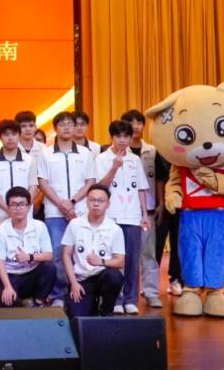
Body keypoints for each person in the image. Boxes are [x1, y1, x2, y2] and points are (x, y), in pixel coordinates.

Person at [38, 112, 97, 306]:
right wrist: (61, 203)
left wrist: (72, 201)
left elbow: (91, 181)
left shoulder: (85, 153)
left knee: (81, 252)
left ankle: (82, 293)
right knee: (57, 253)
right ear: (55, 128)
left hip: (81, 211)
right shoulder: (45, 153)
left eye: (70, 124)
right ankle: (58, 295)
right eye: (62, 124)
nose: (66, 127)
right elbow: (43, 182)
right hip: (54, 212)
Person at [96, 119, 149, 315]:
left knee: (132, 260)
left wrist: (145, 214)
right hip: (111, 216)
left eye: (126, 136)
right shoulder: (102, 158)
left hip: (133, 216)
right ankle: (115, 299)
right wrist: (114, 167)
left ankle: (130, 299)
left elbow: (141, 188)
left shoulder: (135, 159)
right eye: (118, 136)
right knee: (113, 259)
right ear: (112, 137)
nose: (122, 140)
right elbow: (100, 186)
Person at [0, 119, 40, 290]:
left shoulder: (29, 160)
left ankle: (25, 293)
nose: (10, 138)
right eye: (6, 134)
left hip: (25, 218)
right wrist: (8, 208)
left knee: (26, 254)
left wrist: (22, 208)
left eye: (14, 134)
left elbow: (34, 186)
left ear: (19, 136)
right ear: (0, 137)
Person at [121, 109, 163, 309]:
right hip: (124, 211)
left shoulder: (152, 151)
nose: (136, 126)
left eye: (139, 122)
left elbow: (160, 179)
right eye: (131, 123)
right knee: (123, 254)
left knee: (148, 252)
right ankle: (122, 293)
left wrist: (161, 203)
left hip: (149, 209)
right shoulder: (117, 151)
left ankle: (151, 292)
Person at [62, 185, 125, 318]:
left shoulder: (115, 229)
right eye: (92, 200)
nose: (96, 203)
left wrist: (101, 261)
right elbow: (66, 255)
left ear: (108, 204)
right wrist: (73, 283)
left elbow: (120, 261)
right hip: (81, 279)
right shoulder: (74, 224)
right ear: (86, 202)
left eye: (100, 200)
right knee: (77, 318)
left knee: (115, 276)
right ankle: (91, 305)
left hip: (103, 276)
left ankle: (106, 311)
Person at [0, 187, 55, 308]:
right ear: (8, 207)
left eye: (22, 204)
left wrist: (29, 257)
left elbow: (49, 255)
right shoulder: (0, 230)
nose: (18, 208)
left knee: (49, 267)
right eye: (14, 204)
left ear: (29, 206)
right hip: (11, 275)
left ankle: (38, 302)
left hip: (32, 273)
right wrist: (7, 287)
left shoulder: (39, 226)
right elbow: (0, 263)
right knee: (7, 303)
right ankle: (22, 302)